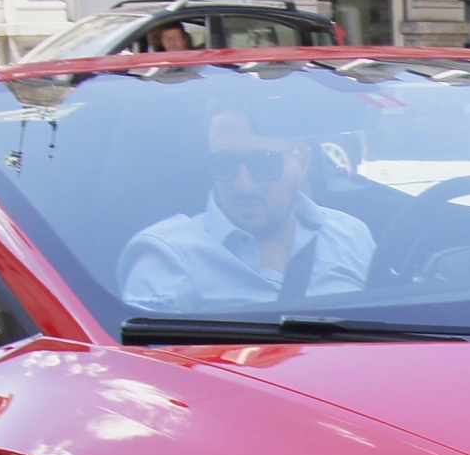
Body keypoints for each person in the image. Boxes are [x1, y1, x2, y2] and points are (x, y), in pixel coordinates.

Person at [117, 109, 375, 311]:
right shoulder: (167, 257)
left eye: (263, 163)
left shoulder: (350, 237)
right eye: (224, 164)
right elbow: (146, 368)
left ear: (302, 162)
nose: (243, 186)